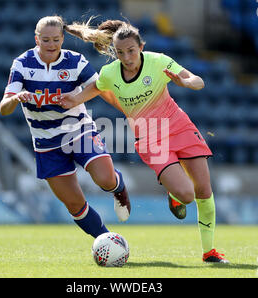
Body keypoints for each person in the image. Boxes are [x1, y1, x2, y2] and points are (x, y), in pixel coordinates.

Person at [58, 19, 229, 263]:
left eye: (131, 51)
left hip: (179, 126)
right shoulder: (110, 74)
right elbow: (95, 87)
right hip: (150, 137)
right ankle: (175, 195)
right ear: (114, 52)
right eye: (120, 53)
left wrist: (185, 81)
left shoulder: (158, 61)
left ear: (141, 47)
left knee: (203, 190)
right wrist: (74, 100)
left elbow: (197, 80)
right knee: (187, 195)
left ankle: (209, 252)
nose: (126, 57)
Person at [0, 16, 131, 239]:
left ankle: (119, 189)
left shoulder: (75, 61)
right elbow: (4, 108)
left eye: (56, 40)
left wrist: (77, 98)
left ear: (63, 39)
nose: (51, 45)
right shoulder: (22, 63)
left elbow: (98, 87)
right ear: (36, 39)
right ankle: (108, 241)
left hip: (78, 130)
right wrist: (16, 98)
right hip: (46, 142)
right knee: (74, 205)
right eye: (45, 40)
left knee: (105, 180)